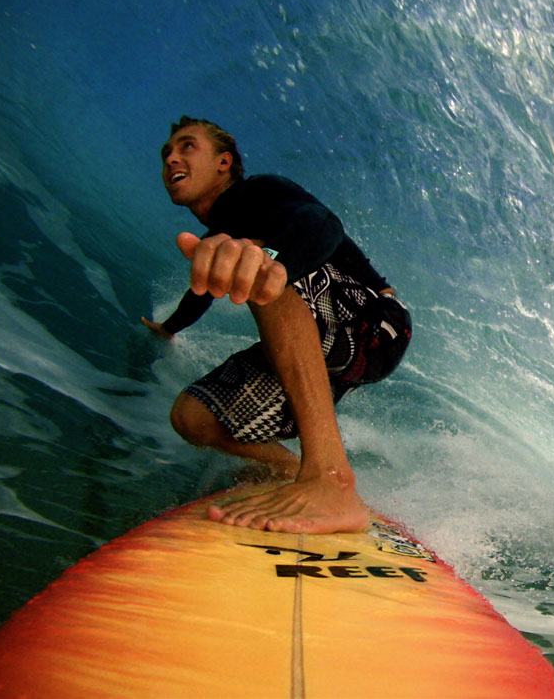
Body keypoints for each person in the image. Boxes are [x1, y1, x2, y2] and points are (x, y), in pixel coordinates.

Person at [141, 116, 411, 534]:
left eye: (187, 146)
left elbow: (324, 225)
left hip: (376, 326)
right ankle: (291, 471)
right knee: (193, 419)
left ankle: (330, 479)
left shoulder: (258, 192)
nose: (171, 158)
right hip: (323, 342)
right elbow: (202, 292)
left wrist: (280, 270)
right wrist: (169, 328)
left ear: (224, 162)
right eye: (166, 154)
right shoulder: (226, 234)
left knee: (255, 266)